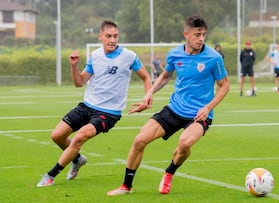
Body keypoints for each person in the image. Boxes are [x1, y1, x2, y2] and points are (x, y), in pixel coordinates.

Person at [107, 15, 230, 196]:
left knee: (184, 143)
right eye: (197, 34)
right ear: (186, 34)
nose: (201, 39)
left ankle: (169, 172)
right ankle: (126, 186)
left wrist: (208, 107)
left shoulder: (214, 57)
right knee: (139, 140)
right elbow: (165, 76)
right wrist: (149, 93)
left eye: (204, 34)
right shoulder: (174, 54)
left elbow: (224, 86)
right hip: (174, 109)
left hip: (199, 114)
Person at [36, 20, 152, 187]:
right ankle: (77, 159)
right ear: (100, 37)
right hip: (87, 106)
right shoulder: (95, 56)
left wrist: (147, 97)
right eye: (108, 36)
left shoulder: (129, 56)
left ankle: (50, 176)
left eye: (115, 36)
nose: (112, 40)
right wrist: (74, 67)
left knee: (79, 137)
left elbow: (146, 77)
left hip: (109, 112)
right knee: (57, 136)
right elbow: (79, 82)